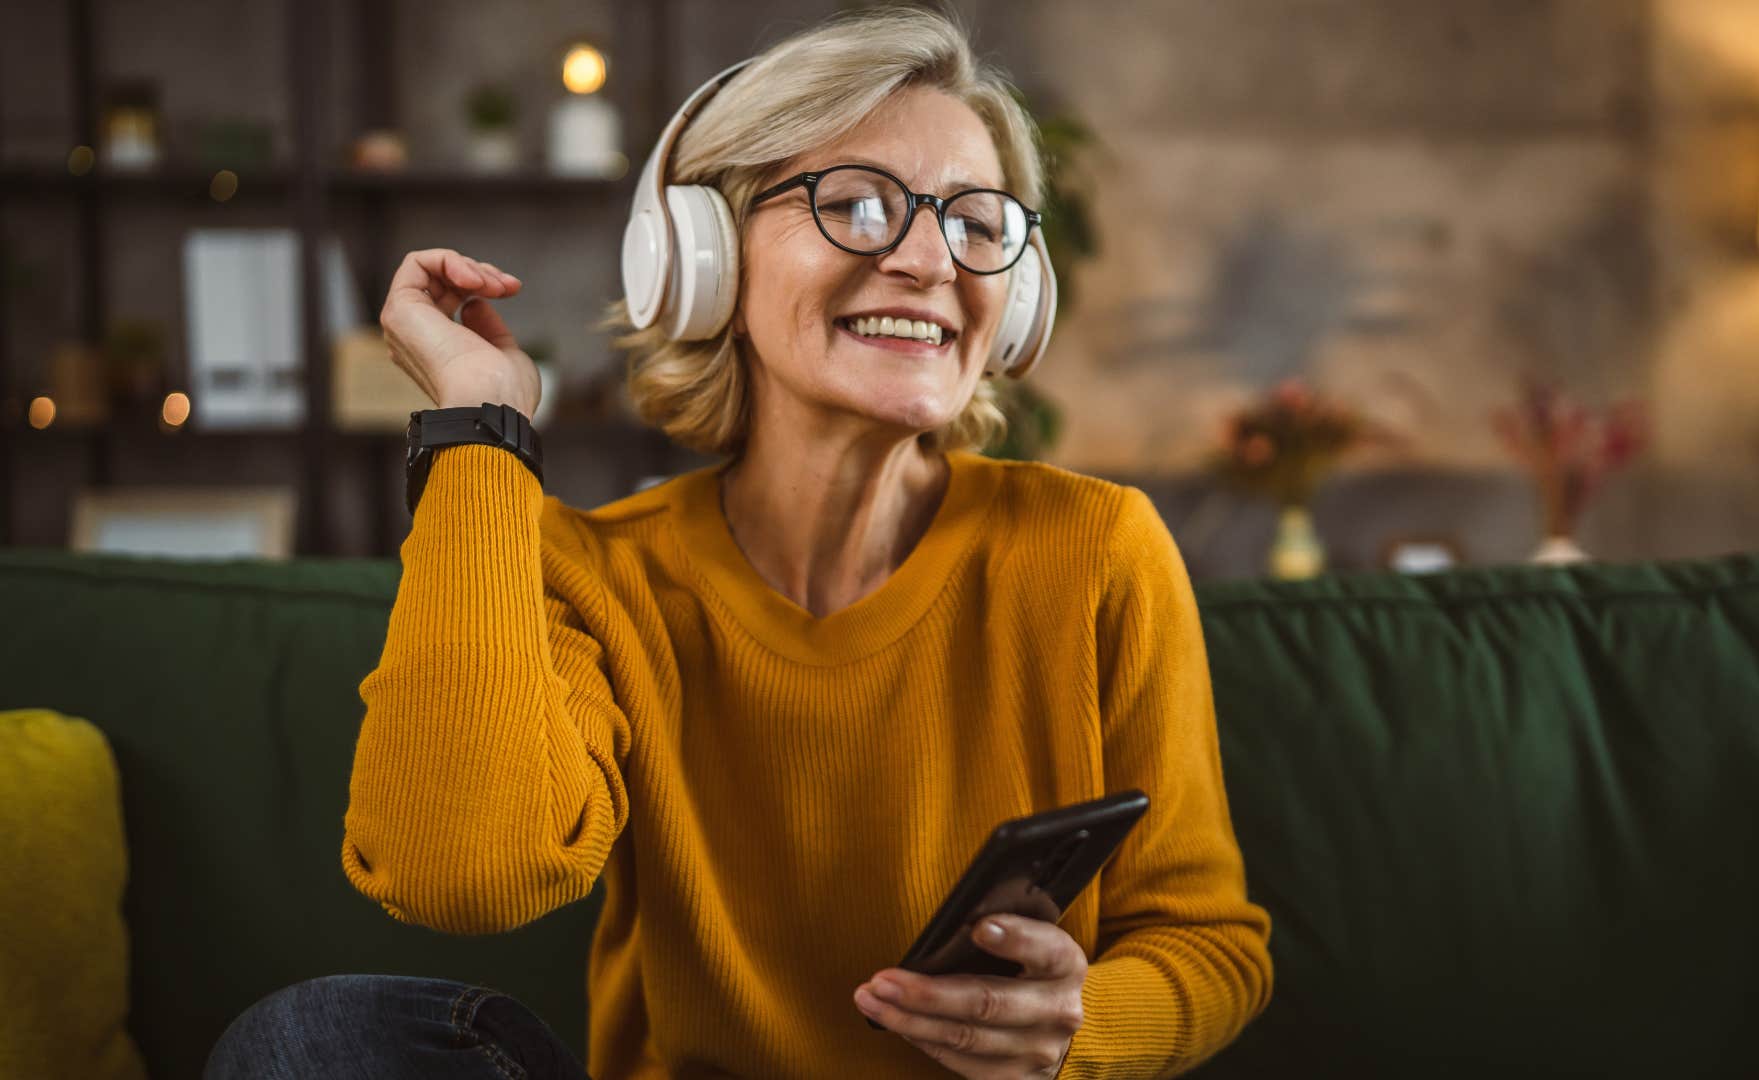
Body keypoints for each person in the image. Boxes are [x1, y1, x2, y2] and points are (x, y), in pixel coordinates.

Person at [206, 7, 1271, 1078]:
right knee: (315, 1043)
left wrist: (1078, 1027)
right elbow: (459, 873)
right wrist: (482, 433)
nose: (926, 259)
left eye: (977, 224)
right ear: (699, 255)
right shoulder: (599, 573)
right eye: (857, 205)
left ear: (1017, 288)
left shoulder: (1094, 549)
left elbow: (1211, 945)